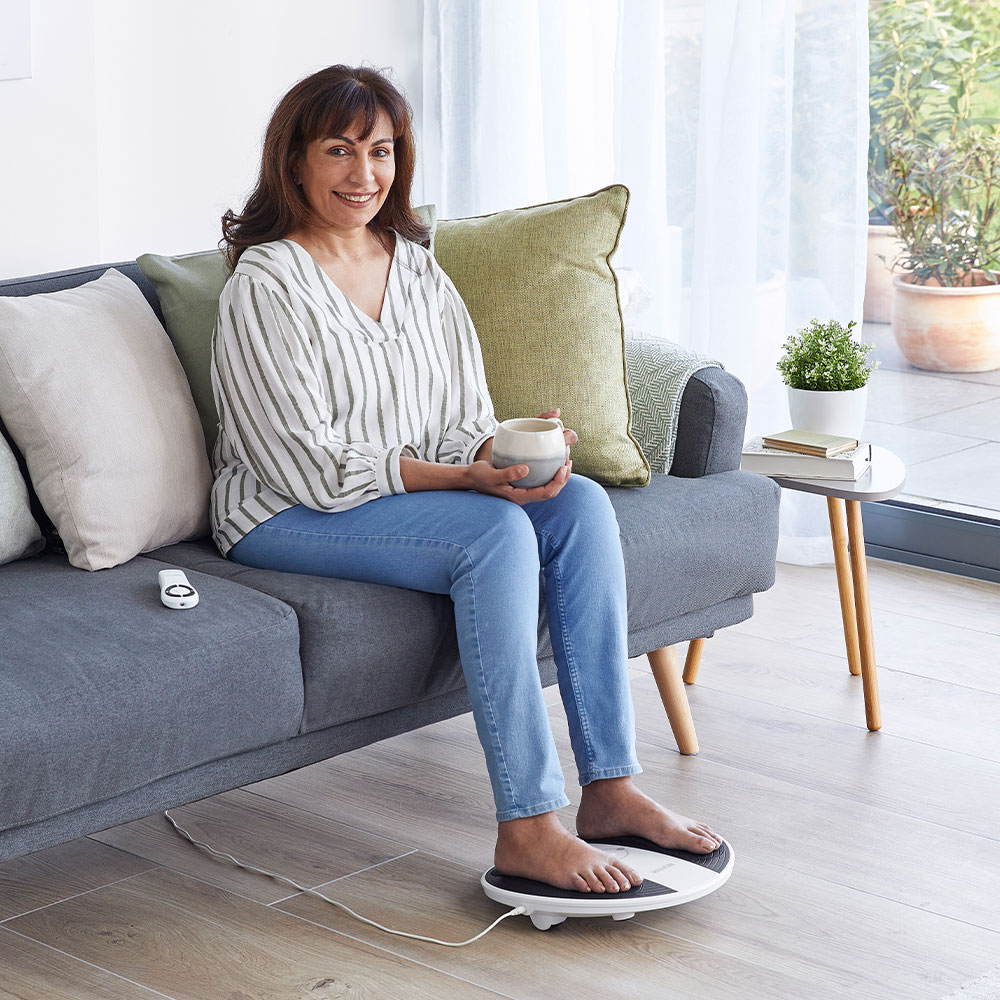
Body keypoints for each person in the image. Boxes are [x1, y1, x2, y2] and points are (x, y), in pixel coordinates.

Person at [211, 64, 721, 895]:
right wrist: (466, 481)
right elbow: (304, 464)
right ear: (294, 160)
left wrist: (506, 452)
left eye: (381, 151)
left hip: (399, 491)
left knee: (580, 504)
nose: (363, 173)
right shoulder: (265, 284)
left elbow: (460, 414)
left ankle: (611, 787)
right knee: (493, 532)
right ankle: (528, 824)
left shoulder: (415, 268)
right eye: (339, 150)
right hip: (286, 511)